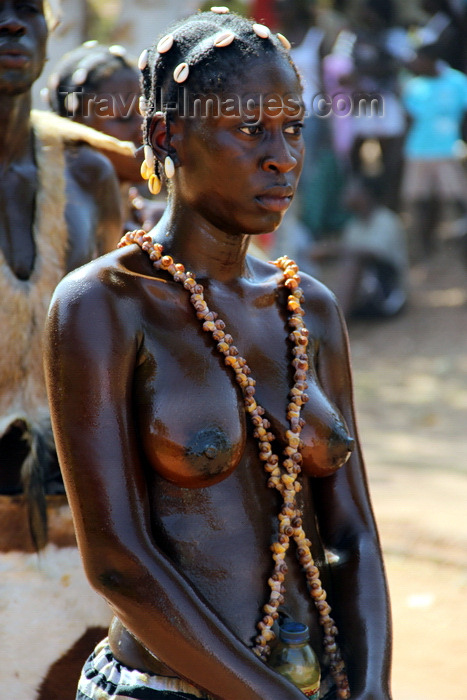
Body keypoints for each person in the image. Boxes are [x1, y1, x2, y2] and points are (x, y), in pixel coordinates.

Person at [45, 9, 392, 700]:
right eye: (247, 129)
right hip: (161, 689)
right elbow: (118, 563)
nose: (282, 156)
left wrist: (372, 687)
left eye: (292, 127)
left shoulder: (308, 308)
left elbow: (352, 535)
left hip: (318, 681)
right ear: (166, 135)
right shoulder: (103, 306)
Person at [0, 0, 122, 550]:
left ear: (49, 30)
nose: (11, 24)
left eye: (27, 8)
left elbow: (119, 338)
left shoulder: (88, 173)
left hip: (77, 506)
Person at [401, 43, 467, 262]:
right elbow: (408, 119)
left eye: (419, 59)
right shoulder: (413, 86)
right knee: (420, 202)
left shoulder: (458, 82)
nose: (415, 63)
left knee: (454, 200)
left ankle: (454, 250)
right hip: (418, 151)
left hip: (448, 151)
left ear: (432, 59)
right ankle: (423, 249)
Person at [310, 176, 408, 319]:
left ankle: (336, 323)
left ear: (365, 194)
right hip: (366, 291)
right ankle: (329, 317)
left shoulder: (386, 220)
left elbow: (374, 254)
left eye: (350, 190)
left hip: (388, 294)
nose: (344, 194)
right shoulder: (353, 225)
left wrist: (331, 250)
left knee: (353, 262)